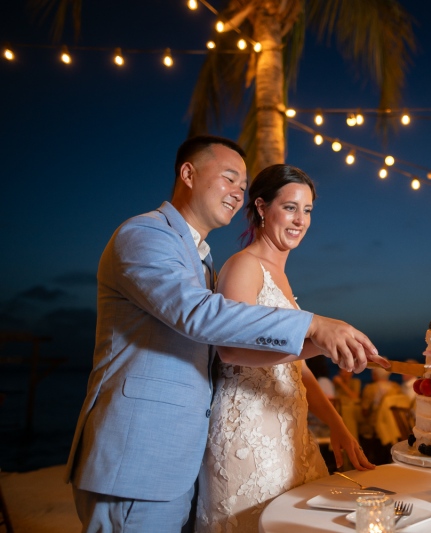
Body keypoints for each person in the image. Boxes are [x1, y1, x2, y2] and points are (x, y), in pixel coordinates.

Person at [65, 136, 387, 532]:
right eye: (230, 179)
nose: (238, 193)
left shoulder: (204, 263)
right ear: (187, 173)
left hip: (181, 457)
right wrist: (314, 326)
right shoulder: (145, 235)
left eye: (242, 184)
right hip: (138, 457)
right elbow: (200, 317)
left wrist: (332, 414)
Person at [196, 164, 374, 531]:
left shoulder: (280, 275)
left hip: (291, 434)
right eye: (290, 207)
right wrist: (319, 342)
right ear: (261, 207)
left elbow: (296, 367)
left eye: (307, 210)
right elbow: (230, 350)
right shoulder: (244, 266)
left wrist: (336, 424)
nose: (300, 220)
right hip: (248, 435)